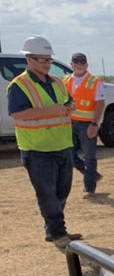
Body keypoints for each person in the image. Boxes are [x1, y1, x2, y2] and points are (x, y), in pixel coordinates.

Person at [4, 36, 81, 250]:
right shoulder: (19, 85)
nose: (47, 64)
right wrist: (51, 110)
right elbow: (18, 115)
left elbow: (66, 101)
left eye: (49, 59)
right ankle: (58, 233)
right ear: (29, 59)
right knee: (47, 194)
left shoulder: (56, 81)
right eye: (42, 59)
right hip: (37, 149)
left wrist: (70, 106)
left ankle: (53, 228)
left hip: (62, 145)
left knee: (61, 193)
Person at [64, 52, 105, 197]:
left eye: (82, 63)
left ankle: (89, 188)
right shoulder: (65, 80)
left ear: (86, 65)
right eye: (76, 62)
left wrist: (94, 124)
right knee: (69, 154)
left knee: (89, 156)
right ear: (71, 65)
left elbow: (100, 104)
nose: (79, 65)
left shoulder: (94, 81)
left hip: (87, 124)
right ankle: (92, 174)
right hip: (69, 124)